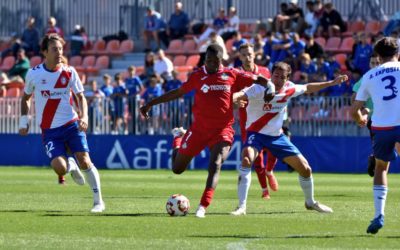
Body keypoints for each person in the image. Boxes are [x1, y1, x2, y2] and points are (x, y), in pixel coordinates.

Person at [140, 44, 270, 218]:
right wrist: (150, 103)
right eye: (206, 60)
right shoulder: (198, 75)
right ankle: (178, 137)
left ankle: (202, 206)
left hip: (222, 131)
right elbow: (177, 92)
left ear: (220, 60)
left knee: (215, 164)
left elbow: (258, 79)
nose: (208, 64)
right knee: (177, 169)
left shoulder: (232, 74)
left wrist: (271, 87)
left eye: (212, 61)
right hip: (199, 130)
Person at [231, 61, 348, 216]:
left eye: (281, 77)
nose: (277, 80)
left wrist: (332, 83)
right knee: (246, 159)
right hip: (256, 134)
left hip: (276, 137)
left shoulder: (290, 88)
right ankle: (241, 206)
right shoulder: (259, 88)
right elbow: (241, 95)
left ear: (287, 79)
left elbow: (307, 87)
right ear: (271, 75)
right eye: (275, 76)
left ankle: (310, 202)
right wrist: (235, 99)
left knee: (305, 169)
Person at [18, 34, 105, 212]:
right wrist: (23, 120)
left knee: (85, 160)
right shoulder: (34, 74)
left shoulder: (69, 71)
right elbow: (25, 97)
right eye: (54, 49)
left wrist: (84, 117)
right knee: (60, 168)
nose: (59, 52)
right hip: (49, 130)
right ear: (44, 52)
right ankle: (70, 165)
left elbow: (81, 96)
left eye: (60, 49)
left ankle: (98, 201)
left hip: (71, 124)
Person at [351, 37, 400, 234]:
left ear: (378, 56)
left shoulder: (370, 75)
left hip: (381, 127)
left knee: (380, 168)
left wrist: (359, 118)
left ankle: (379, 214)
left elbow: (354, 108)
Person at [235, 43, 278, 203]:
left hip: (266, 117)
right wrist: (236, 102)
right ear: (240, 57)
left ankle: (269, 171)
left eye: (250, 54)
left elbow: (275, 91)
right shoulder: (237, 74)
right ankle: (264, 190)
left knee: (275, 148)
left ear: (255, 55)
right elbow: (233, 94)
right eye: (244, 54)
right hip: (247, 122)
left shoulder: (265, 72)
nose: (247, 57)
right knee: (256, 157)